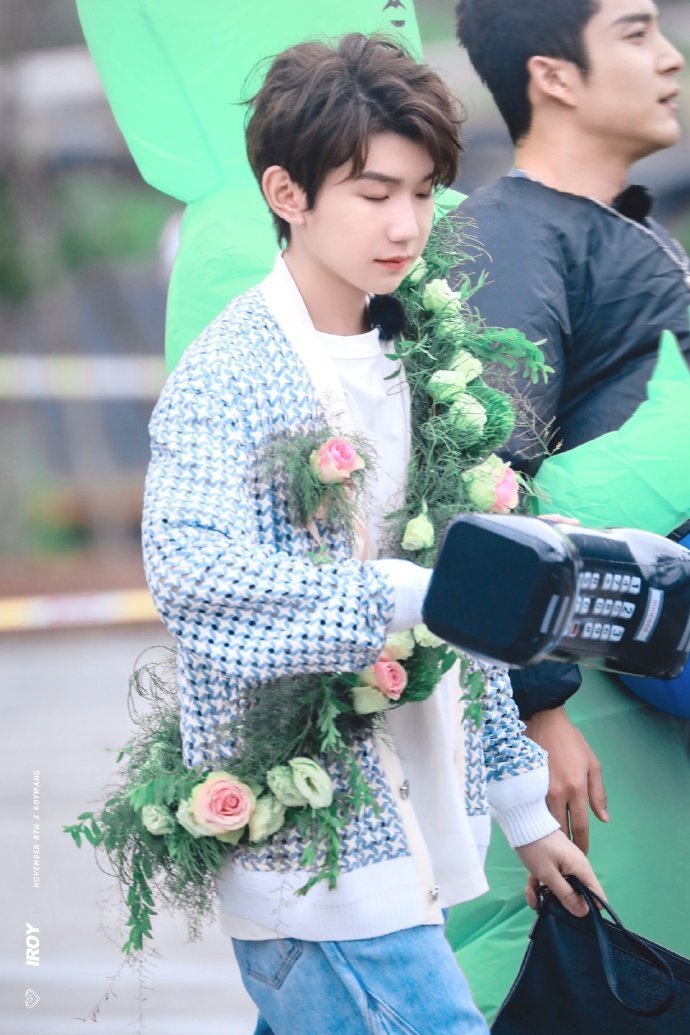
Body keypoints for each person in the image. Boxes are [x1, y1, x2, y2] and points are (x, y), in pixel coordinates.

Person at [142, 33, 602, 1035]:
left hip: (415, 830)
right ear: (288, 193)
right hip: (317, 858)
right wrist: (400, 592)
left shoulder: (422, 354)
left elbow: (462, 603)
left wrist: (525, 816)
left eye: (425, 192)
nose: (406, 224)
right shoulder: (230, 372)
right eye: (373, 192)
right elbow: (192, 574)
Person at [455, 0, 690, 852]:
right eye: (635, 32)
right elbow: (484, 479)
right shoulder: (511, 239)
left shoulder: (628, 227)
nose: (670, 56)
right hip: (633, 651)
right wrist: (539, 707)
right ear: (553, 76)